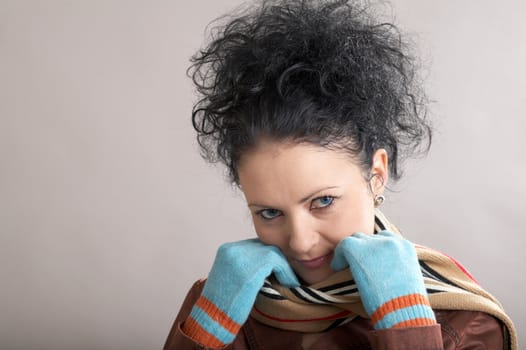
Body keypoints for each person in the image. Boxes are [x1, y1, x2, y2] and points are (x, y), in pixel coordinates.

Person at [164, 0, 517, 349]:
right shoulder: (221, 302)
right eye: (269, 213)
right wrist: (205, 330)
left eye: (323, 201)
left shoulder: (464, 322)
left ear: (376, 173)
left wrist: (404, 321)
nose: (300, 242)